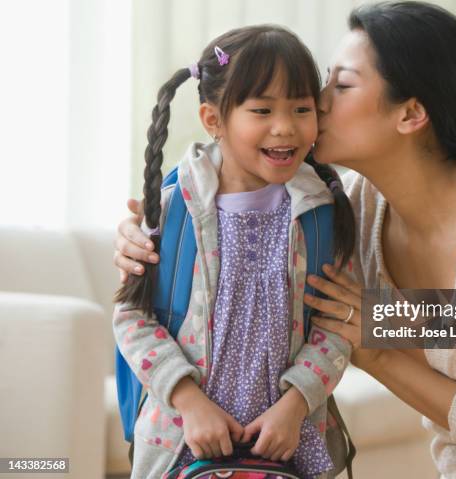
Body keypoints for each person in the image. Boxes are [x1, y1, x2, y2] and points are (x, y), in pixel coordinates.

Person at [114, 2, 456, 478]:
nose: (316, 101)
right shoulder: (358, 209)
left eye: (341, 85)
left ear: (410, 114)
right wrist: (139, 237)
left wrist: (373, 342)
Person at [112, 24, 357, 479]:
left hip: (289, 442)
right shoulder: (170, 211)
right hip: (184, 440)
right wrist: (188, 402)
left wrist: (296, 404)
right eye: (261, 109)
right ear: (214, 120)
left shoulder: (325, 215)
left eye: (302, 108)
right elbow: (132, 317)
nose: (285, 127)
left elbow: (337, 325)